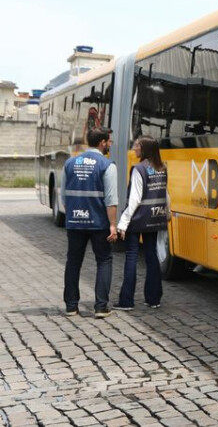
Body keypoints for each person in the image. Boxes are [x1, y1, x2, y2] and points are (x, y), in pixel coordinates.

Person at [61, 127, 118, 318]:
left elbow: (64, 196)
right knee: (104, 260)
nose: (110, 144)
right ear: (102, 142)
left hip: (74, 221)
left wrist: (73, 215)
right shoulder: (107, 165)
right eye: (109, 141)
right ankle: (101, 307)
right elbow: (111, 200)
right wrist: (112, 225)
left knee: (73, 262)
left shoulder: (69, 163)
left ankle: (71, 306)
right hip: (98, 223)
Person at [115, 137, 171, 310]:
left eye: (137, 145)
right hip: (154, 218)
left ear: (145, 149)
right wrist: (167, 213)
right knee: (152, 256)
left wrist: (123, 223)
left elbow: (134, 199)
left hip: (138, 219)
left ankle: (126, 301)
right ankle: (153, 298)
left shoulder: (139, 169)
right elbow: (166, 193)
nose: (134, 148)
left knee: (131, 256)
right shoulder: (162, 168)